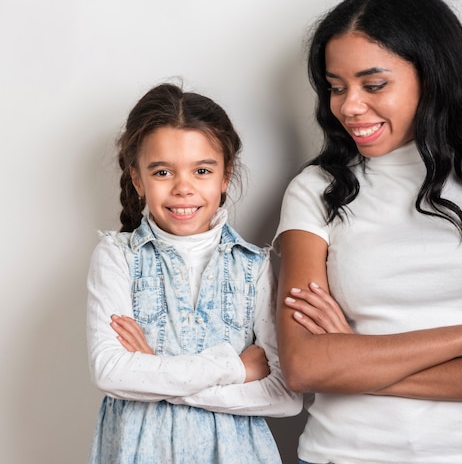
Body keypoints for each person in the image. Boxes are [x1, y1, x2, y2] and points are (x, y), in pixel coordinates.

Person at [274, 0, 462, 464]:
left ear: (432, 77)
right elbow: (306, 366)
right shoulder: (316, 190)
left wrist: (358, 360)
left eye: (374, 85)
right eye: (335, 87)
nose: (348, 106)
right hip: (345, 454)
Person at [87, 82, 301, 463]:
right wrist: (234, 368)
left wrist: (154, 371)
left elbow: (284, 395)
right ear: (138, 179)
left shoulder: (254, 266)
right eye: (163, 172)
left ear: (224, 177)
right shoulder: (117, 256)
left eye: (201, 170)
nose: (183, 188)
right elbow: (111, 372)